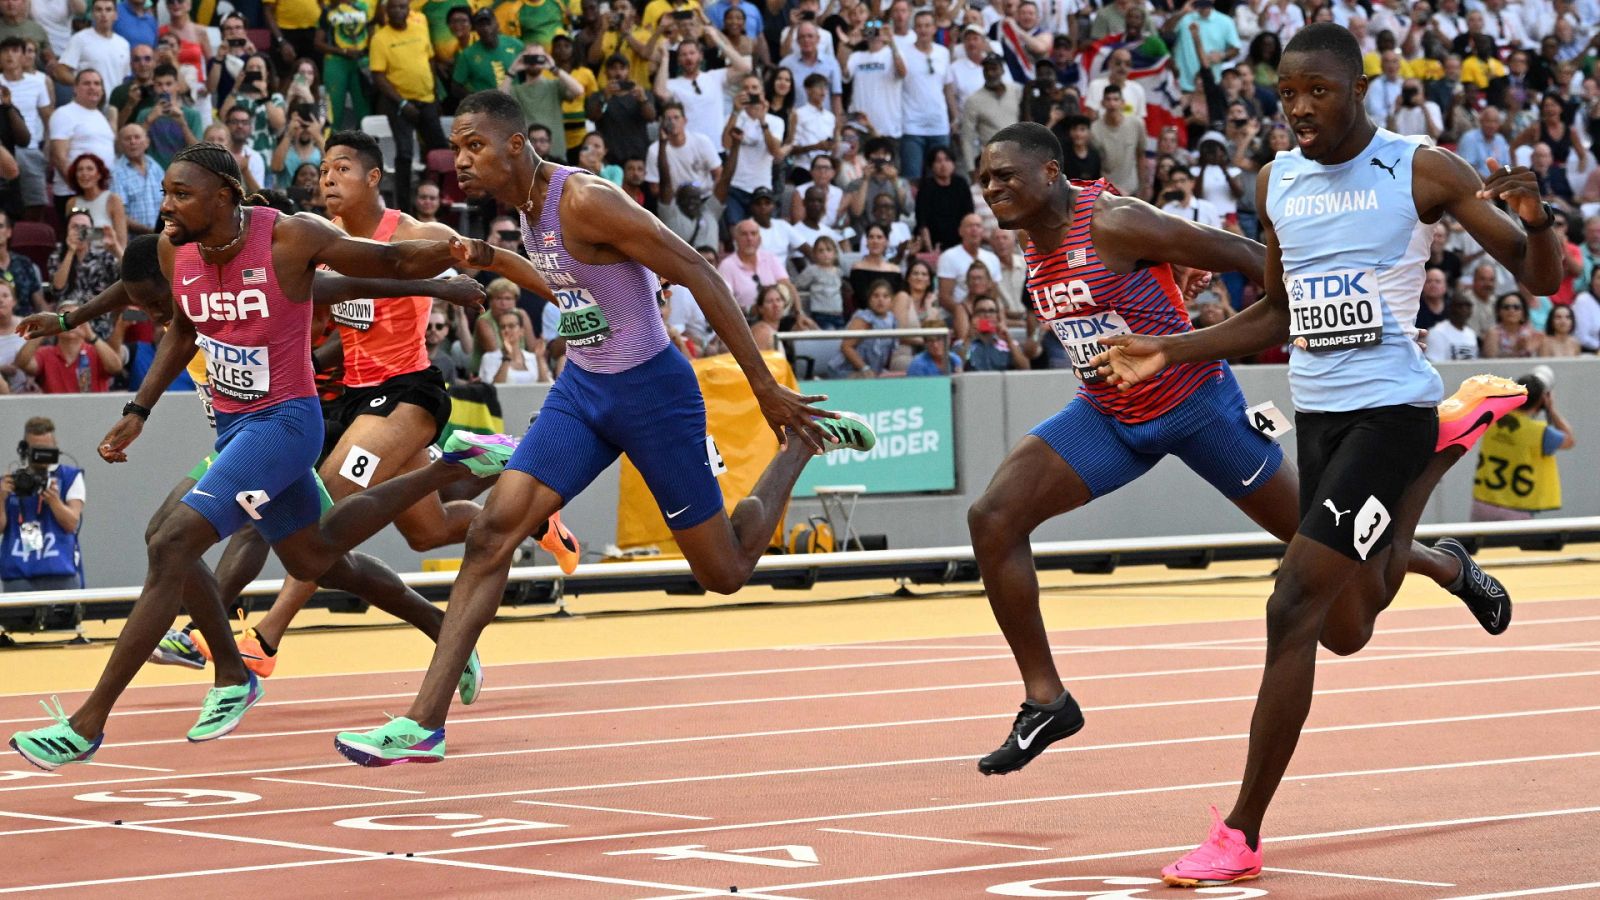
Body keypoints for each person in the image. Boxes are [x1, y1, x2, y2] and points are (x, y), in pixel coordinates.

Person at [1092, 24, 1561, 886]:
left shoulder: (1423, 169)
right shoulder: (1277, 181)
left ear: (1357, 91)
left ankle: (1239, 834)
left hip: (1389, 413)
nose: (1299, 108)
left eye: (1317, 91)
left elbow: (1538, 279)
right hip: (1320, 415)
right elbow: (1274, 314)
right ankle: (1446, 520)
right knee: (1347, 626)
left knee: (1293, 604)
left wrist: (1538, 223)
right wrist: (1170, 347)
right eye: (1288, 92)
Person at [333, 89, 878, 765]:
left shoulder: (585, 198)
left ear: (515, 144)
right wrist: (495, 262)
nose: (460, 162)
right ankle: (425, 724)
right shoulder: (524, 208)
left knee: (725, 571)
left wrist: (765, 389)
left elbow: (701, 271)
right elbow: (572, 288)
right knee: (490, 534)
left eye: (474, 146)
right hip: (583, 391)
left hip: (653, 394)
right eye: (456, 147)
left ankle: (797, 448)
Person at [4, 145, 502, 771]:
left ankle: (92, 722)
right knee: (318, 556)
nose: (165, 205)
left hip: (287, 423)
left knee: (170, 539)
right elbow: (181, 322)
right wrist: (138, 409)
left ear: (225, 196)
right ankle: (447, 511)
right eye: (164, 192)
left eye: (181, 194)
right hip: (237, 428)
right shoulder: (173, 246)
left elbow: (383, 262)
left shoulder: (288, 239)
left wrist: (458, 259)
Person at [200, 130, 581, 676]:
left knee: (323, 505)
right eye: (324, 171)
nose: (327, 179)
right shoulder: (322, 241)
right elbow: (336, 334)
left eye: (341, 170)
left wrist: (569, 296)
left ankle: (265, 636)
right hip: (356, 400)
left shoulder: (415, 232)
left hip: (408, 394)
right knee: (430, 531)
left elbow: (498, 262)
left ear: (373, 177)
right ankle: (534, 517)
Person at [1470, 371, 1574, 521]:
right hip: (1517, 508)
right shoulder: (1540, 432)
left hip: (1482, 503)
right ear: (1541, 401)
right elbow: (1570, 440)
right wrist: (1551, 409)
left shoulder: (1491, 419)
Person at [1, 417, 84, 593]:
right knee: (15, 621)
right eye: (36, 450)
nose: (41, 455)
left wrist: (54, 501)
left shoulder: (70, 476)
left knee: (63, 621)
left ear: (55, 448)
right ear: (24, 449)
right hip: (18, 574)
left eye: (46, 449)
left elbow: (71, 524)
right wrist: (1, 499)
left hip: (60, 572)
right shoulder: (11, 482)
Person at [1482, 291, 1542, 357]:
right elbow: (1491, 361)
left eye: (1516, 307)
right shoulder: (1493, 333)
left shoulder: (1530, 332)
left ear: (1523, 312)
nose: (1511, 310)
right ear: (1498, 312)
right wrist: (1516, 350)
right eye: (1506, 307)